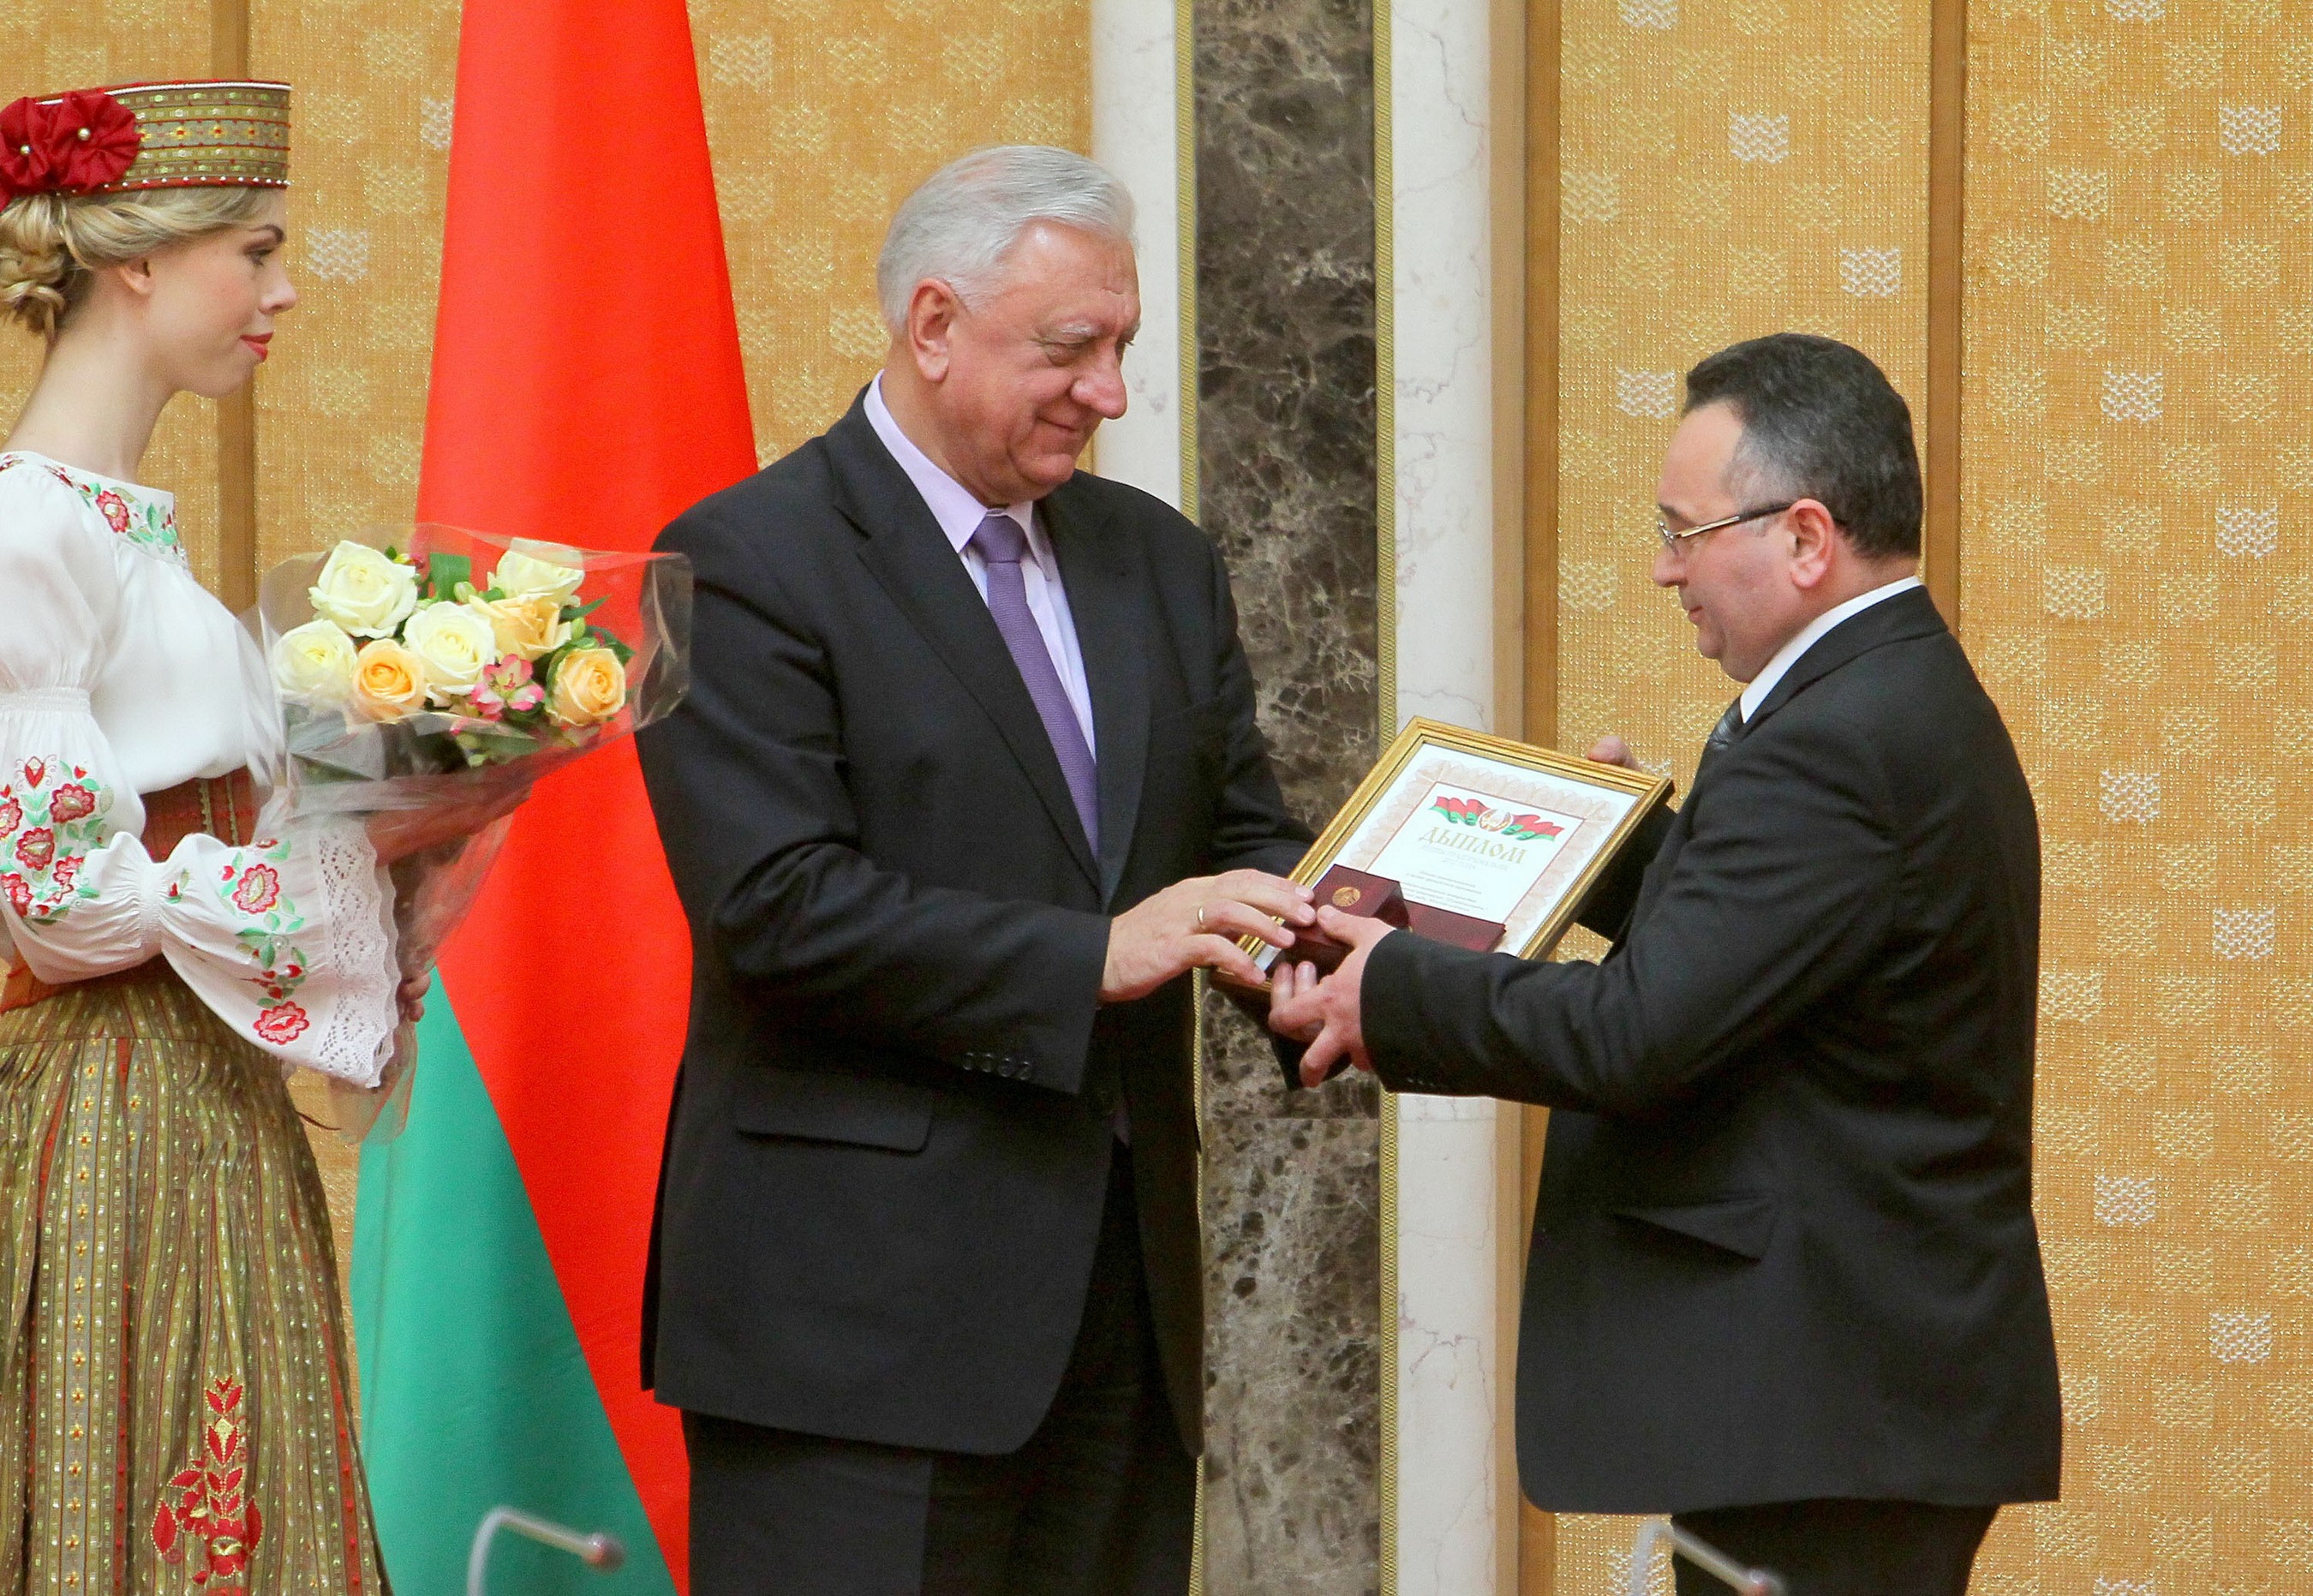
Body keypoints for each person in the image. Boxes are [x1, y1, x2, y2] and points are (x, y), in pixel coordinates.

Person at [1271, 333, 2062, 1594]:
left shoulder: (1840, 739)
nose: (1662, 569)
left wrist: (1393, 985)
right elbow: (1797, 964)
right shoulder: (1878, 698)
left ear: (1806, 538)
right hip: (1847, 1398)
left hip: (1830, 1405)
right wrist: (1623, 852)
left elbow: (1636, 1037)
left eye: (1684, 533)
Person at [636, 145, 1317, 1596]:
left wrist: (1356, 943)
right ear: (934, 324)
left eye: (1123, 345)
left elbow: (1240, 841)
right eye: (1070, 349)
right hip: (854, 1339)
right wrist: (1096, 956)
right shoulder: (742, 561)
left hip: (1120, 1323)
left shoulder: (1159, 561)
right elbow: (775, 909)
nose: (1110, 393)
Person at [0, 80, 447, 1593]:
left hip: (195, 1087)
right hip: (116, 1095)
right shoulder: (29, 530)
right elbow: (59, 900)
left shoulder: (123, 523)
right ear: (138, 262)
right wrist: (321, 889)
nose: (284, 290)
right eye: (254, 252)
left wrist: (397, 841)